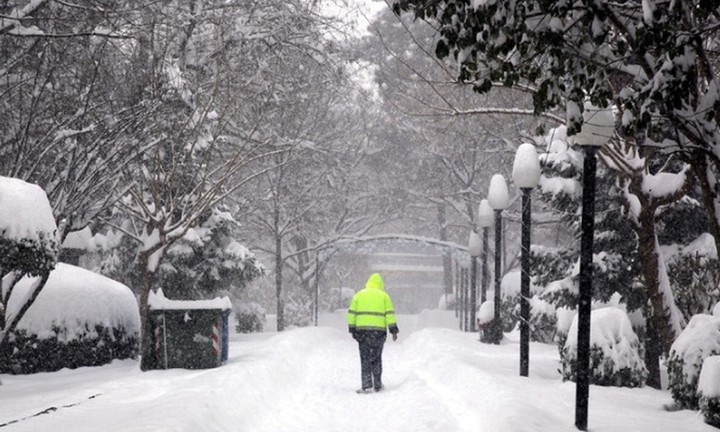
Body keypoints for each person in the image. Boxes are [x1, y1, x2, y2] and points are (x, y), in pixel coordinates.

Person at [347, 272, 399, 394]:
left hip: (362, 332)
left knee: (364, 358)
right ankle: (377, 384)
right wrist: (393, 331)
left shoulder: (359, 295)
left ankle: (366, 385)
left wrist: (352, 329)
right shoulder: (384, 296)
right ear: (380, 284)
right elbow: (389, 314)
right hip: (378, 332)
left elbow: (351, 313)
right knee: (376, 358)